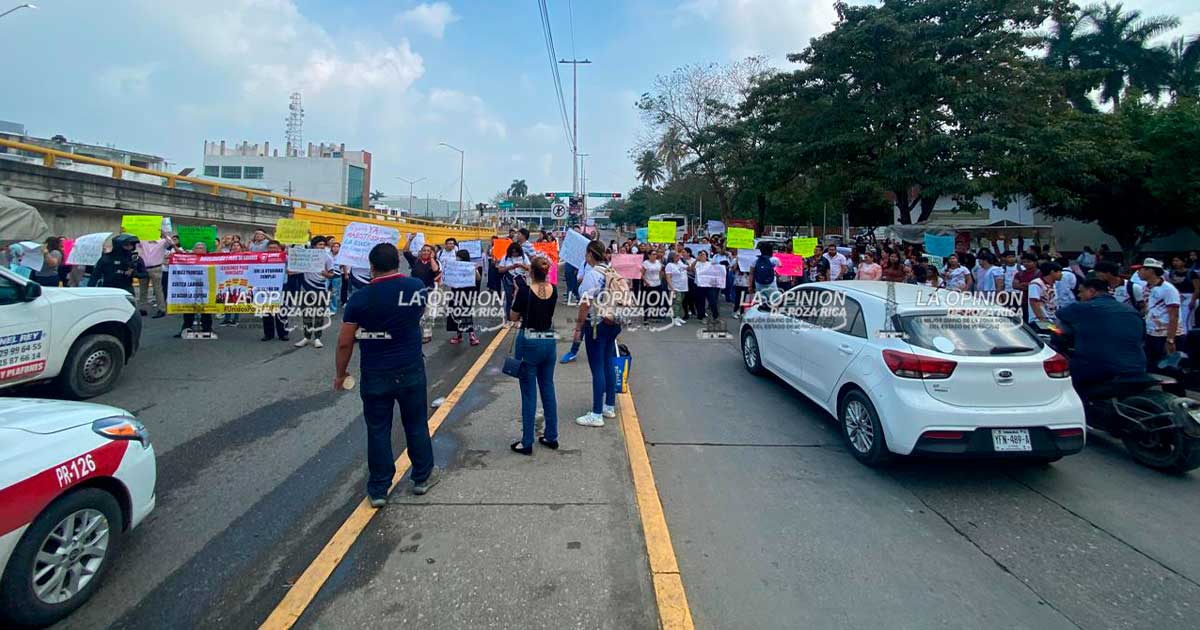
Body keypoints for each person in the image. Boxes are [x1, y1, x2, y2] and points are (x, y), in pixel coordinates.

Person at [336, 243, 438, 506]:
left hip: (375, 371)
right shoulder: (416, 287)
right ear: (397, 262)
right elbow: (418, 313)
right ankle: (422, 477)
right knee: (416, 423)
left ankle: (379, 488)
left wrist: (340, 373)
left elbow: (345, 342)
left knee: (378, 429)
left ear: (371, 267)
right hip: (410, 367)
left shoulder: (359, 298)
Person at [1057, 278, 1146, 398]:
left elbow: (1060, 315)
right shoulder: (1131, 311)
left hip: (1100, 368)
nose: (1079, 295)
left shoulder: (1083, 308)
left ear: (1092, 291)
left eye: (1081, 292)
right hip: (1137, 366)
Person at [509, 256, 560, 455]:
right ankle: (551, 435)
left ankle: (527, 441)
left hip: (529, 339)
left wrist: (516, 294)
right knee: (548, 387)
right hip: (548, 337)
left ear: (530, 272)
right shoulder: (553, 289)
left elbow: (513, 316)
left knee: (529, 392)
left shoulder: (525, 291)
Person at [575, 240, 620, 428]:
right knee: (608, 362)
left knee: (597, 367)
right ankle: (609, 406)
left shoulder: (592, 275)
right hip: (613, 322)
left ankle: (596, 413)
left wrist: (578, 327)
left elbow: (585, 303)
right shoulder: (612, 271)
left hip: (595, 324)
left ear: (590, 254)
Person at [1139, 258, 1185, 371]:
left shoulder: (1168, 289)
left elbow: (1174, 315)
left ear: (1151, 271)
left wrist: (1170, 340)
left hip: (1166, 335)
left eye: (1143, 269)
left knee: (1169, 369)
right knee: (1152, 367)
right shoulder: (1145, 288)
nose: (1139, 272)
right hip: (1152, 333)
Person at [294, 236, 335, 349]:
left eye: (323, 245)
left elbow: (332, 274)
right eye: (319, 245)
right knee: (306, 314)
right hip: (305, 289)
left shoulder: (328, 258)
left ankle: (317, 338)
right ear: (313, 246)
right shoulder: (305, 255)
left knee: (319, 314)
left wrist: (325, 274)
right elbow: (294, 268)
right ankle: (306, 337)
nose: (322, 247)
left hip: (320, 289)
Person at [175, 242, 214, 337]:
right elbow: (179, 256)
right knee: (188, 308)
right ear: (193, 250)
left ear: (206, 250)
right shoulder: (188, 258)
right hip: (190, 286)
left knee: (206, 308)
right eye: (197, 247)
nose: (200, 249)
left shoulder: (211, 258)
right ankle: (186, 328)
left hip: (205, 286)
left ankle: (207, 328)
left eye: (202, 248)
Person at [445, 250, 481, 346]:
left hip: (466, 294)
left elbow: (478, 278)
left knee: (466, 314)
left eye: (459, 257)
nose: (457, 258)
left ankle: (471, 335)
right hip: (455, 293)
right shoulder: (454, 266)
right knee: (455, 313)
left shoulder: (470, 266)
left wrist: (475, 269)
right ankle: (459, 335)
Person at [259, 241, 290, 341]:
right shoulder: (261, 257)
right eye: (270, 248)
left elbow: (292, 266)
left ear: (279, 248)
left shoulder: (285, 257)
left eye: (275, 247)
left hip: (281, 286)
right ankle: (268, 334)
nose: (272, 249)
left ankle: (283, 333)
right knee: (266, 311)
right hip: (265, 286)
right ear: (267, 249)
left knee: (281, 310)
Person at [666, 250, 690, 325]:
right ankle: (675, 318)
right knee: (676, 302)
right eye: (676, 255)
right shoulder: (669, 265)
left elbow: (689, 268)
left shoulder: (680, 263)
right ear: (672, 257)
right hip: (675, 287)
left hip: (683, 287)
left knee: (680, 303)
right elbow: (668, 277)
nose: (678, 257)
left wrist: (695, 260)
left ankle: (678, 316)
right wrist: (672, 288)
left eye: (678, 255)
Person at [641, 249, 665, 324]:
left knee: (657, 300)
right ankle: (646, 318)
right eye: (653, 254)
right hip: (649, 285)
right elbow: (641, 274)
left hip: (657, 284)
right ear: (649, 255)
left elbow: (660, 272)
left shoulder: (658, 262)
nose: (655, 256)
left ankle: (654, 315)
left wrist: (660, 279)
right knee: (647, 301)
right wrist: (646, 282)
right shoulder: (646, 263)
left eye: (655, 254)